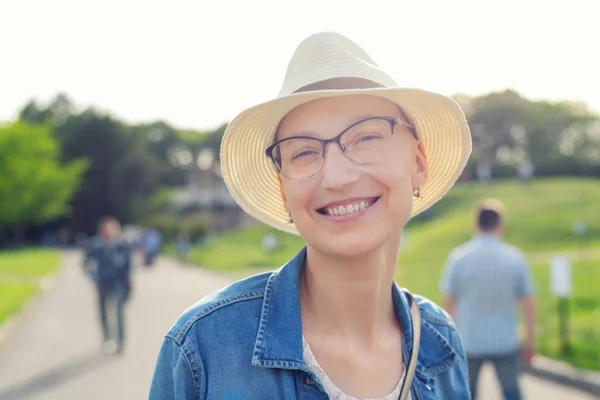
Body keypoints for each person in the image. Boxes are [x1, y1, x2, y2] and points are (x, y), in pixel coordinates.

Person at [150, 32, 473, 399]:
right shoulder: (202, 349)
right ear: (283, 190)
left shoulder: (440, 343)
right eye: (303, 152)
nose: (336, 177)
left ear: (417, 163)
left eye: (366, 137)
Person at [439, 199, 536, 400]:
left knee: (466, 394)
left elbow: (448, 304)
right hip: (506, 340)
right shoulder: (516, 258)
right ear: (500, 225)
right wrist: (530, 341)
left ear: (476, 224)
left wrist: (447, 343)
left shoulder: (458, 258)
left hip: (469, 341)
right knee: (512, 394)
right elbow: (528, 303)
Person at [83, 216, 133, 355]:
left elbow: (128, 265)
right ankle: (107, 338)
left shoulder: (122, 245)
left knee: (119, 311)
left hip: (118, 283)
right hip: (102, 282)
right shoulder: (95, 245)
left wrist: (129, 280)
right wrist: (94, 278)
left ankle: (121, 340)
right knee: (103, 312)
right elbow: (86, 264)